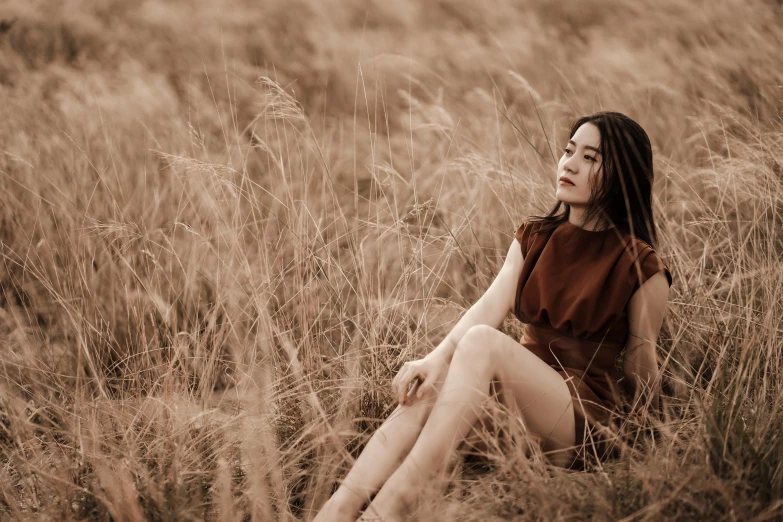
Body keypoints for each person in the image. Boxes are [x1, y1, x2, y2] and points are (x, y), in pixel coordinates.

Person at [312, 111, 673, 522]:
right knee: (432, 385)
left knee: (481, 342)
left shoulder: (641, 265)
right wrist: (433, 360)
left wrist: (654, 439)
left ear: (623, 175)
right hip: (520, 403)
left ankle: (394, 505)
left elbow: (641, 364)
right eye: (568, 151)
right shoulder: (535, 237)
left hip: (580, 421)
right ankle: (339, 507)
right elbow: (488, 306)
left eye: (591, 158)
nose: (569, 164)